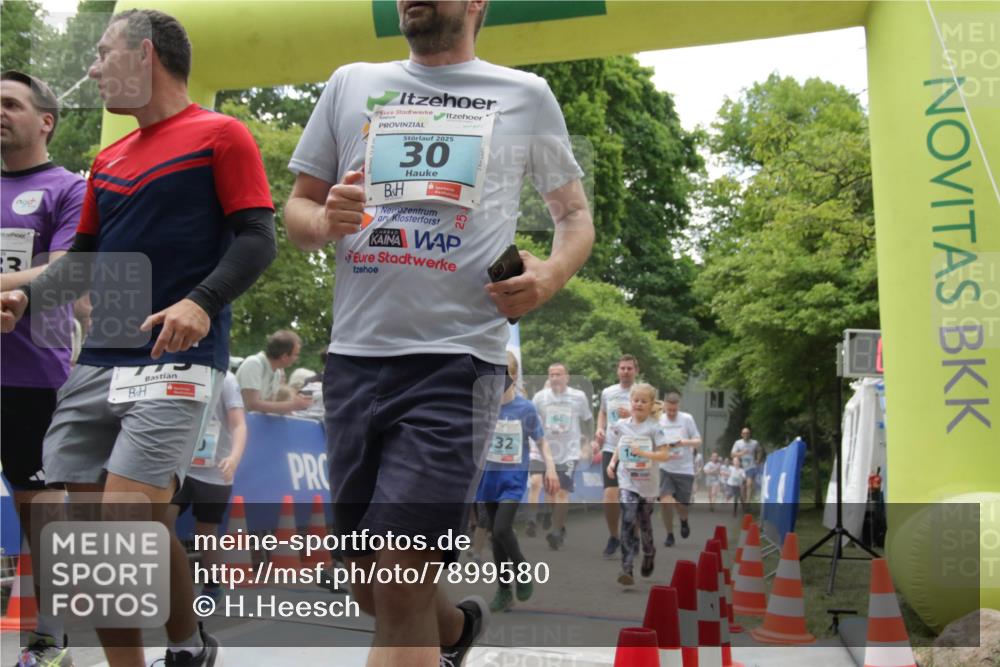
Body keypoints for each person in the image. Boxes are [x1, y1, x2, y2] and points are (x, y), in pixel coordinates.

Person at [282, 0, 594, 664]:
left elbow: (574, 217)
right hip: (353, 362)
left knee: (396, 585)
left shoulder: (525, 96)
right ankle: (455, 631)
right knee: (375, 589)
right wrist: (323, 218)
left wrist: (551, 274)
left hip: (457, 365)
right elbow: (299, 208)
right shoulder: (351, 83)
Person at [0, 9, 276, 666]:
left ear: (144, 55)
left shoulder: (222, 134)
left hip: (175, 357)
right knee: (99, 544)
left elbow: (258, 238)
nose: (92, 68)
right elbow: (84, 262)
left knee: (119, 527)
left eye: (102, 54)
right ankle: (183, 646)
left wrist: (203, 301)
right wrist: (23, 296)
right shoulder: (110, 157)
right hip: (98, 363)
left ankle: (182, 644)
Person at [1, 69, 86, 667]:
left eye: (9, 103)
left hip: (32, 375)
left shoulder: (69, 188)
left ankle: (50, 636)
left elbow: (64, 276)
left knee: (41, 510)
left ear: (44, 120)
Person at [477, 351, 558, 612]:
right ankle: (504, 590)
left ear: (513, 376)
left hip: (512, 479)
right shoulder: (483, 406)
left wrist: (551, 469)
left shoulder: (525, 409)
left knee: (501, 529)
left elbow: (542, 441)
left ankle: (522, 569)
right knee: (495, 537)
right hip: (488, 479)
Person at [167, 371, 247, 602]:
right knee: (162, 522)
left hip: (215, 472)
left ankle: (213, 584)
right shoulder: (179, 371)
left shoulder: (226, 379)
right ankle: (175, 578)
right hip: (182, 468)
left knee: (206, 531)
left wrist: (234, 458)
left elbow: (239, 424)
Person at [605, 384, 669, 586]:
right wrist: (613, 462)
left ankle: (649, 552)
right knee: (628, 518)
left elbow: (664, 455)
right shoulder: (623, 424)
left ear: (651, 405)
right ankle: (627, 567)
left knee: (644, 522)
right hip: (627, 481)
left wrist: (643, 454)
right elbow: (621, 444)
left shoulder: (654, 428)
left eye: (644, 401)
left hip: (648, 485)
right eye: (636, 400)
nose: (639, 404)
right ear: (630, 402)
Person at [531, 362, 593, 550]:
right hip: (548, 453)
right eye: (551, 374)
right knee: (551, 492)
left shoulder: (578, 397)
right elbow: (533, 422)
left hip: (570, 452)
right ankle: (560, 524)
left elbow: (588, 420)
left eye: (559, 374)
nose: (555, 378)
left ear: (567, 377)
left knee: (561, 491)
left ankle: (557, 531)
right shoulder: (540, 398)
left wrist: (587, 445)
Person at [594, 354, 639, 559]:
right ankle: (614, 536)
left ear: (635, 371)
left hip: (634, 449)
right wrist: (600, 429)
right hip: (611, 447)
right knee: (610, 496)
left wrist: (631, 414)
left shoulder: (643, 391)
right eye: (622, 368)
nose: (625, 371)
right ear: (617, 370)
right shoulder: (608, 392)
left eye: (629, 368)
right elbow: (602, 412)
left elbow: (654, 417)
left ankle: (633, 535)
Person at [657, 392, 702, 547]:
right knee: (665, 501)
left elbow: (698, 441)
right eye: (669, 410)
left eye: (674, 410)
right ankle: (669, 534)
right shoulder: (658, 419)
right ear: (664, 406)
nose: (671, 413)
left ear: (678, 407)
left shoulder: (687, 419)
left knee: (682, 504)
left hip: (684, 469)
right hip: (665, 467)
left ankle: (683, 520)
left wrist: (683, 442)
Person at [235, 329, 312, 414]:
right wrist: (293, 405)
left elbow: (269, 407)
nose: (297, 358)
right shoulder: (254, 364)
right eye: (296, 354)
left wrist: (296, 401)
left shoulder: (277, 373)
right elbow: (251, 405)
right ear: (284, 357)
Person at [731, 426, 760, 502]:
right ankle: (743, 501)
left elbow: (760, 450)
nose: (746, 435)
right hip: (741, 466)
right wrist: (742, 453)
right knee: (742, 487)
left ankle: (748, 502)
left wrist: (758, 459)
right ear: (741, 434)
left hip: (751, 466)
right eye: (744, 433)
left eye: (747, 433)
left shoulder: (754, 443)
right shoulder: (738, 443)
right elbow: (732, 454)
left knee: (749, 484)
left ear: (750, 434)